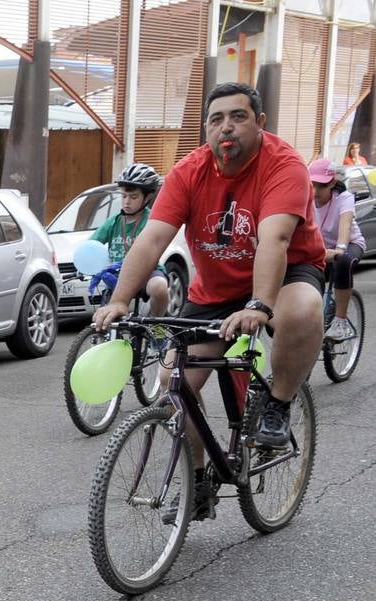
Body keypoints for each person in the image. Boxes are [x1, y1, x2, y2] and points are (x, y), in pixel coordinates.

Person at [94, 82, 324, 520]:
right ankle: (199, 480)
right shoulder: (190, 171)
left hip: (285, 272)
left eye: (238, 117)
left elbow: (274, 240)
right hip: (216, 290)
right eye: (216, 119)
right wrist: (121, 299)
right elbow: (153, 239)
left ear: (259, 123)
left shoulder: (283, 164)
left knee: (302, 309)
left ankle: (277, 402)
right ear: (206, 129)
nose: (226, 128)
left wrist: (259, 305)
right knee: (173, 382)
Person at [89, 163, 171, 316]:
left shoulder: (152, 220)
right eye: (124, 196)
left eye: (133, 197)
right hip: (117, 274)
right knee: (105, 315)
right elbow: (91, 245)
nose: (127, 202)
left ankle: (157, 325)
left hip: (148, 273)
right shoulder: (114, 221)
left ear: (147, 197)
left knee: (160, 287)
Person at [309, 158, 365, 340]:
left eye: (322, 186)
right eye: (312, 185)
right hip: (322, 249)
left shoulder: (344, 198)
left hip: (350, 244)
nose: (316, 191)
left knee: (344, 262)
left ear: (332, 183)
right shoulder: (305, 198)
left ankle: (341, 322)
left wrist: (340, 248)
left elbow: (345, 224)